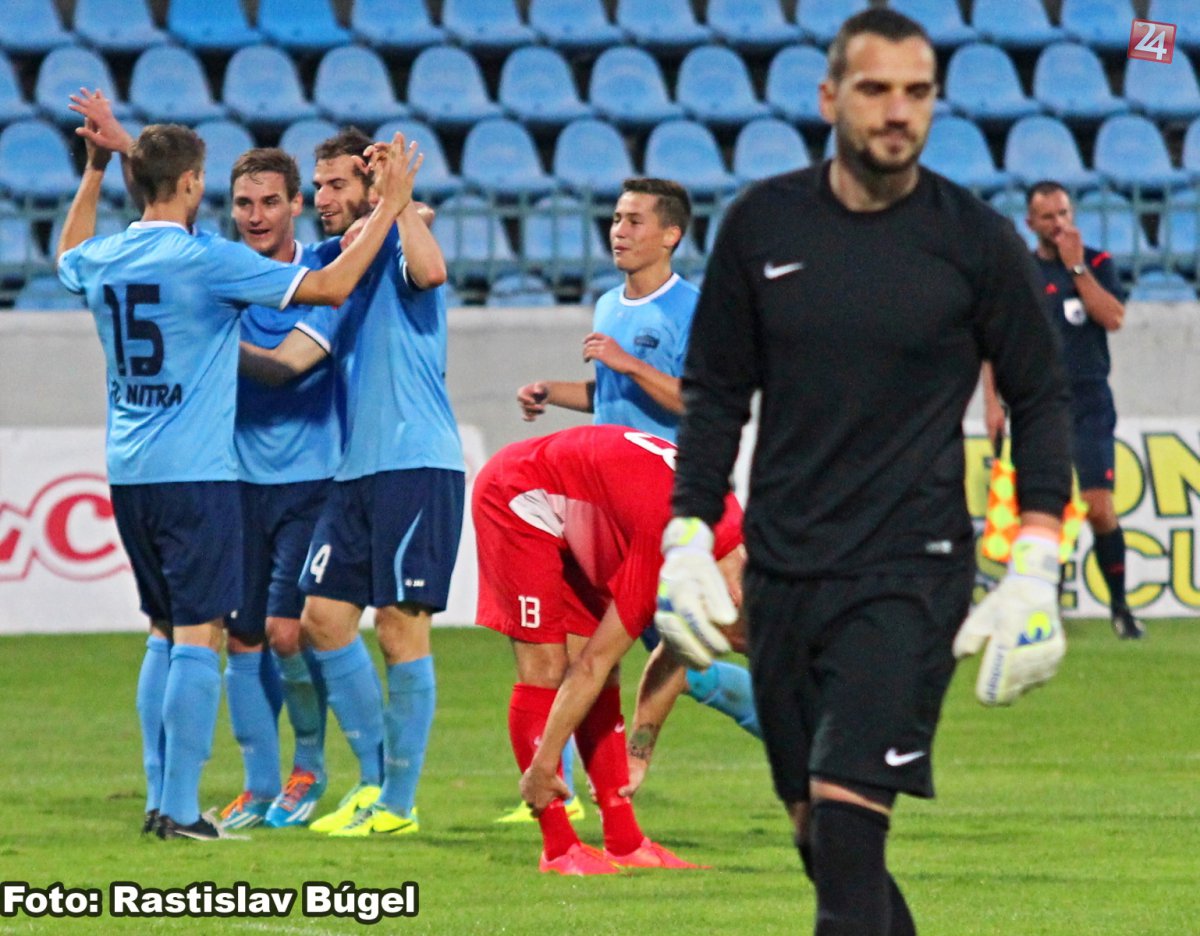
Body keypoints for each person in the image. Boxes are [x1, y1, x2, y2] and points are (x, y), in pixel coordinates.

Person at [651, 10, 1073, 934]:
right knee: (823, 841)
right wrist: (687, 535)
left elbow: (1042, 399)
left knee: (846, 828)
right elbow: (716, 396)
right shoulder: (762, 224)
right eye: (876, 89)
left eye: (917, 92)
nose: (897, 111)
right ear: (829, 97)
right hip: (784, 574)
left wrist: (1037, 560)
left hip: (910, 575)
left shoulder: (973, 239)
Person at [58, 92, 422, 841]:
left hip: (130, 471)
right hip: (199, 475)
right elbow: (331, 289)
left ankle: (172, 795)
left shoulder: (105, 256)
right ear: (197, 185)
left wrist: (99, 167)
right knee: (201, 634)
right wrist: (391, 207)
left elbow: (68, 255)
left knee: (165, 632)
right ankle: (181, 810)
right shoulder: (210, 262)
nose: (253, 214)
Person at [240, 128, 464, 838]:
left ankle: (397, 803)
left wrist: (400, 205)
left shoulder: (397, 239)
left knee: (399, 630)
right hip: (355, 468)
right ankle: (370, 781)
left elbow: (431, 272)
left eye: (337, 185)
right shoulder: (339, 259)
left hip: (414, 461)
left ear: (370, 188)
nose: (322, 197)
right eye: (319, 185)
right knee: (322, 621)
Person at [516, 178, 760, 753]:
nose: (618, 231)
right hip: (608, 506)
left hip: (670, 502)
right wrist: (552, 391)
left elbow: (702, 400)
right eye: (616, 219)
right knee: (604, 655)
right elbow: (610, 396)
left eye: (634, 221)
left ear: (670, 235)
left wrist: (628, 363)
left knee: (716, 640)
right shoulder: (608, 304)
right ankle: (568, 783)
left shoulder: (695, 309)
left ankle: (803, 713)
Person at [472, 425, 744, 874]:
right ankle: (558, 848)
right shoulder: (669, 546)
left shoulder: (733, 550)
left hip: (587, 503)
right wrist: (543, 767)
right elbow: (588, 666)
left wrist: (639, 753)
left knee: (605, 669)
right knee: (548, 668)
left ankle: (624, 841)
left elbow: (677, 653)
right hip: (519, 493)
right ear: (731, 598)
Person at [215, 148, 344, 830]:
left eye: (270, 202)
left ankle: (309, 768)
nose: (256, 216)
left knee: (287, 632)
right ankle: (258, 784)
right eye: (244, 203)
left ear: (296, 203)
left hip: (311, 482)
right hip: (236, 482)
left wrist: (202, 342)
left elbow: (285, 368)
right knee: (240, 638)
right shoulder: (219, 272)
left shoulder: (321, 273)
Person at [982, 180, 1142, 639]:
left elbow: (1112, 318)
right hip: (1037, 402)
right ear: (1030, 223)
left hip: (1089, 400)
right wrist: (992, 402)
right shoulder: (1022, 273)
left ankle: (1120, 606)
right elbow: (993, 341)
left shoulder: (1096, 263)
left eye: (1065, 214)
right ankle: (1044, 607)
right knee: (1041, 509)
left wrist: (1076, 268)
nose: (1059, 223)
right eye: (1048, 217)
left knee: (1098, 506)